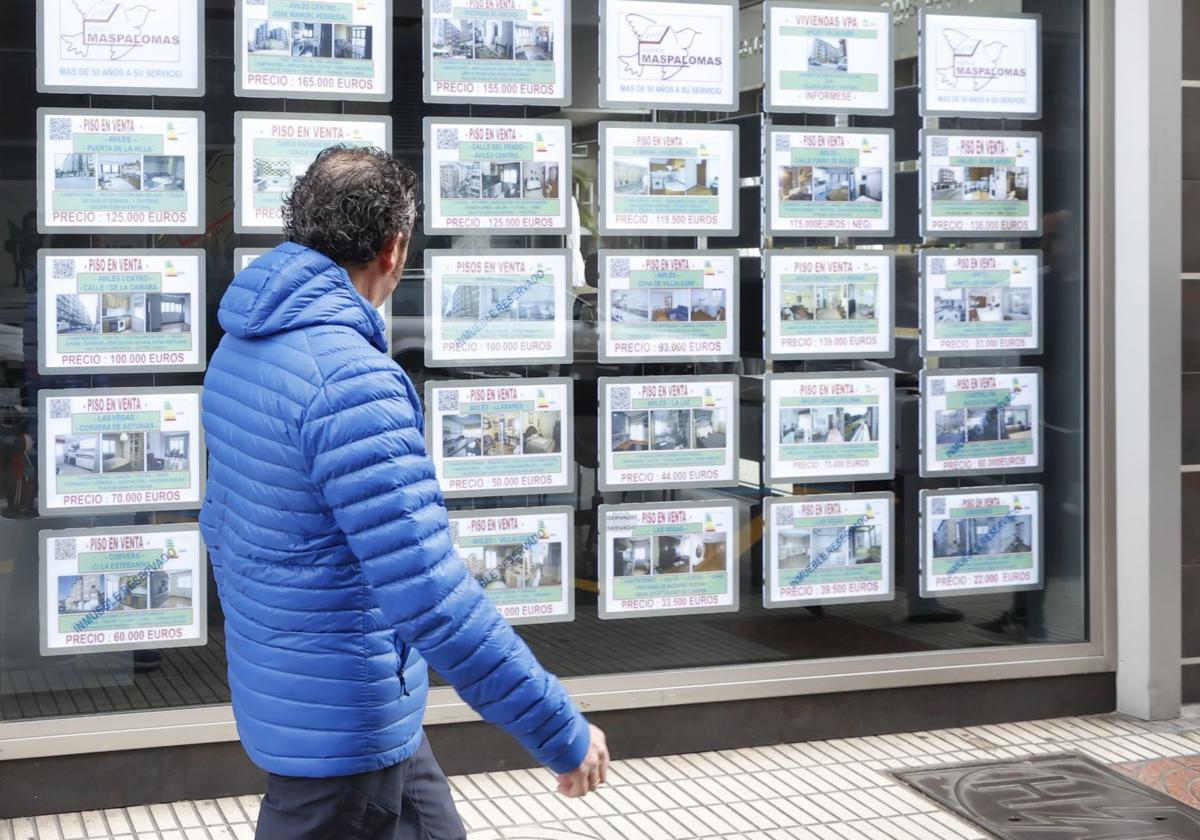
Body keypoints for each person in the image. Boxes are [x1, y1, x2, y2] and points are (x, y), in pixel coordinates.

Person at [200, 146, 609, 839]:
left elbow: (226, 523)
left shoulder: (242, 345)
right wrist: (559, 729)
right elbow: (432, 597)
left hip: (313, 688)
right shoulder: (352, 381)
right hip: (343, 719)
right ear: (395, 249)